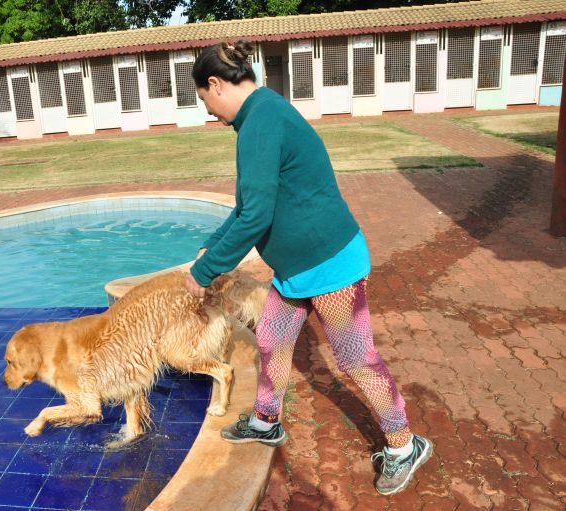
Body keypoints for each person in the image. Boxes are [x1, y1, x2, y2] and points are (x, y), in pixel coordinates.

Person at [184, 40, 432, 495]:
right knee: (273, 341)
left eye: (205, 99)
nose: (210, 113)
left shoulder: (260, 123)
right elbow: (248, 207)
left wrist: (203, 274)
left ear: (215, 84)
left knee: (357, 359)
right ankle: (265, 421)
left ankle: (403, 444)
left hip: (330, 265)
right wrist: (210, 247)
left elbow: (255, 216)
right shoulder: (262, 114)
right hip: (297, 271)